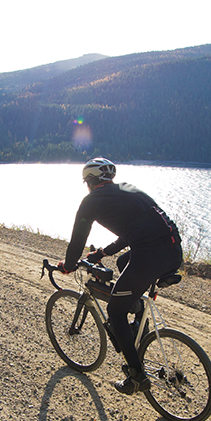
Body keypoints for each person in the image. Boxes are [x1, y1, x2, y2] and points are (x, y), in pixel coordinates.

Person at [60, 157, 183, 394]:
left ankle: (136, 376)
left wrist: (68, 265)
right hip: (173, 251)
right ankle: (137, 318)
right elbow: (136, 230)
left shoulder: (91, 200)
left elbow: (78, 240)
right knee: (122, 261)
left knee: (115, 311)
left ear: (90, 182)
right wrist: (103, 253)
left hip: (150, 255)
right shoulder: (129, 190)